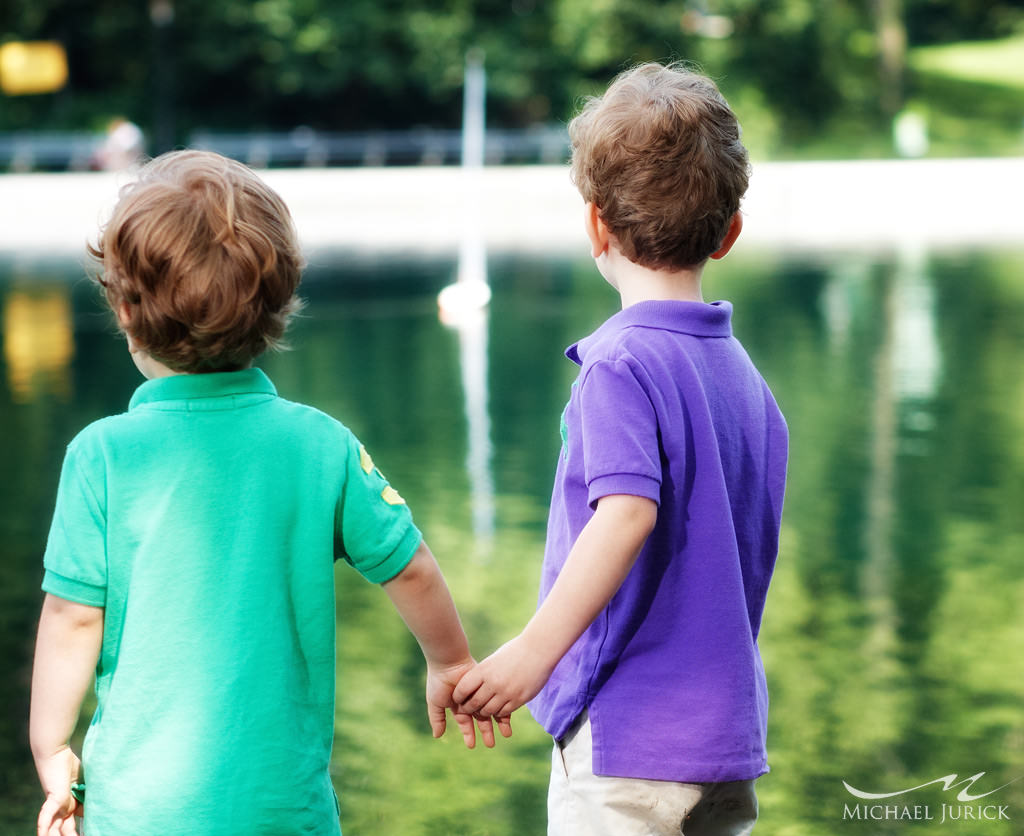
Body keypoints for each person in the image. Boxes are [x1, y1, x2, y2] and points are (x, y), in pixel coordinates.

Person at [29, 150, 506, 836]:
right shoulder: (322, 446)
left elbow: (73, 619)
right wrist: (451, 661)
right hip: (286, 810)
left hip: (140, 812)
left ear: (125, 308)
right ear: (277, 304)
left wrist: (52, 749)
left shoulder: (102, 456)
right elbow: (409, 565)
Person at [453, 63, 789, 835]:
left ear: (595, 224)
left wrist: (531, 654)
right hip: (726, 742)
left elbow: (626, 514)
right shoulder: (746, 381)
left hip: (626, 742)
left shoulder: (619, 364)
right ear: (730, 232)